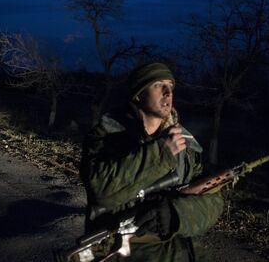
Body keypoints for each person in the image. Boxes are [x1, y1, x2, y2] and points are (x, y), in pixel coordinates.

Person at [80, 62, 224, 261]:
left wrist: (175, 215)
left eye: (170, 86)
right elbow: (101, 190)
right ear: (138, 94)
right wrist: (162, 153)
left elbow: (213, 200)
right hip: (126, 252)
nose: (168, 92)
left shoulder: (186, 144)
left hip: (179, 251)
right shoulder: (108, 135)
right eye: (158, 84)